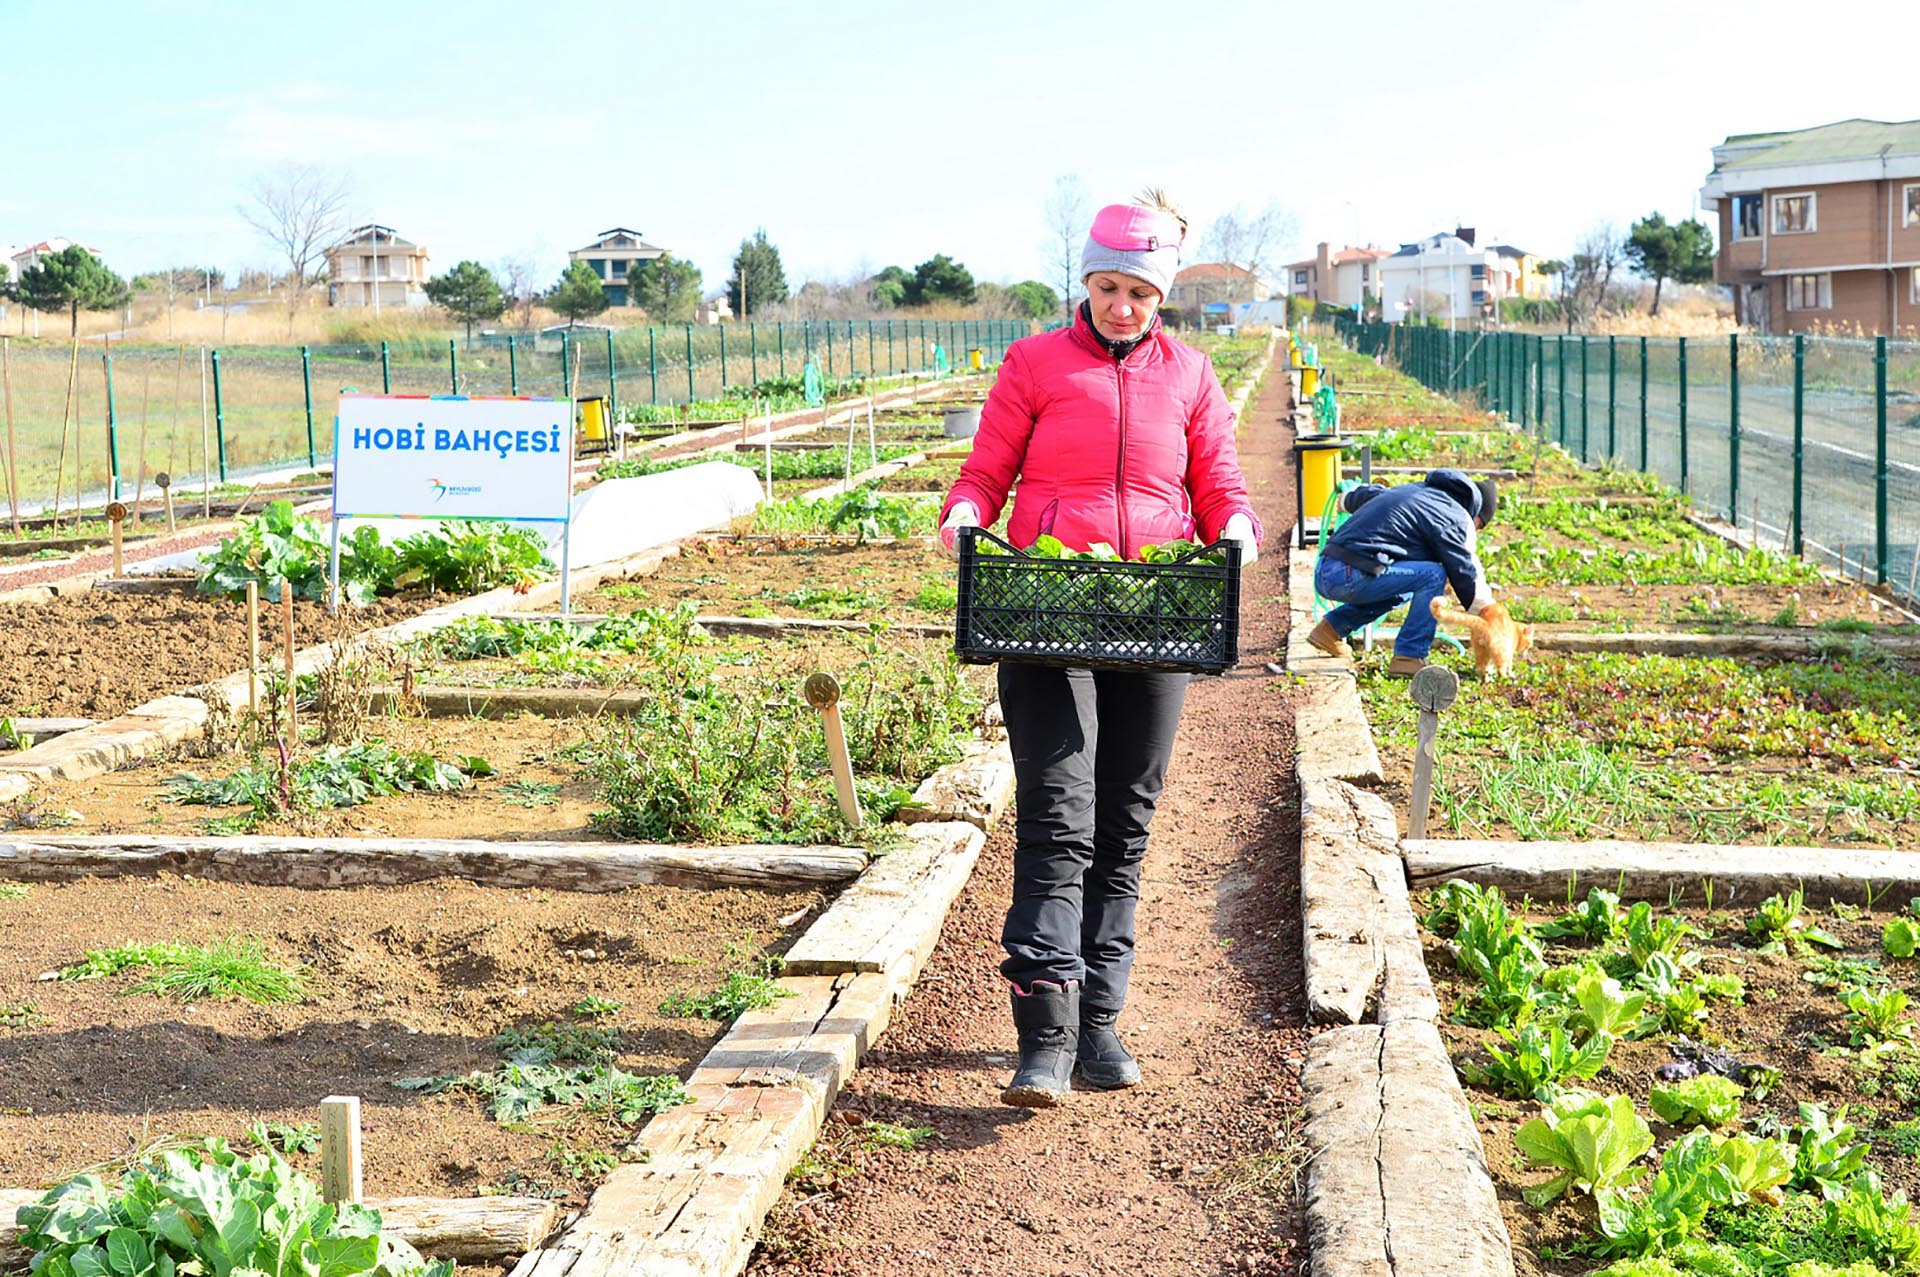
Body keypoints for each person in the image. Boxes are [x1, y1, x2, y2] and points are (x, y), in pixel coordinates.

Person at [937, 191, 1261, 1108]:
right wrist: (965, 511)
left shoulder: (1191, 376)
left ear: (1162, 300)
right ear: (1086, 282)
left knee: (1125, 820)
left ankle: (1100, 1024)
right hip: (1045, 607)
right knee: (1056, 816)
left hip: (1155, 611)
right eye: (1109, 286)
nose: (1123, 306)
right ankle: (1042, 1036)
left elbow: (1218, 479)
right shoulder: (1035, 362)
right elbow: (986, 467)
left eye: (1141, 294)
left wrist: (1234, 521)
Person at [1306, 469, 1499, 676]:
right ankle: (1410, 656)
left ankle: (1331, 629)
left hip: (1326, 569)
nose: (1476, 531)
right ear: (1476, 514)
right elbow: (1463, 567)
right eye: (1480, 526)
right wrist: (1487, 611)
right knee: (1434, 574)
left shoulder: (1416, 491)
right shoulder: (1456, 517)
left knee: (1405, 588)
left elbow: (1369, 495)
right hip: (1349, 574)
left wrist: (1346, 500)